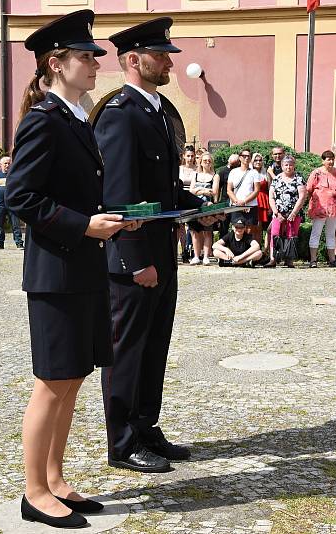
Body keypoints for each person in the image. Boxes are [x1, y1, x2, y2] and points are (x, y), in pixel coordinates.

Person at [4, 11, 134, 529]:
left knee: (73, 379)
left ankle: (56, 479)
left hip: (81, 268)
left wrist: (109, 220)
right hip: (56, 272)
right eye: (85, 56)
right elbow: (22, 197)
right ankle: (34, 491)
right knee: (52, 382)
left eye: (94, 56)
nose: (94, 64)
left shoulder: (75, 117)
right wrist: (84, 225)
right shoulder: (44, 119)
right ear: (55, 63)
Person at [94, 17, 211, 474]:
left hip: (162, 248)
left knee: (154, 343)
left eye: (168, 54)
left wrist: (200, 205)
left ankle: (145, 426)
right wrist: (136, 260)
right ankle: (122, 442)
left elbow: (160, 190)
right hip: (135, 256)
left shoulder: (157, 111)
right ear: (133, 60)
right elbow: (119, 198)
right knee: (127, 349)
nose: (168, 61)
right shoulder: (121, 114)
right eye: (161, 54)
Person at [266, 154, 306, 268]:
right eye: (286, 165)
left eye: (291, 165)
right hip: (278, 213)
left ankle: (289, 260)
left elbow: (302, 196)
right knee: (275, 234)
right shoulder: (277, 178)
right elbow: (271, 197)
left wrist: (294, 213)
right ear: (282, 166)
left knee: (291, 235)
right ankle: (273, 259)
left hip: (293, 213)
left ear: (294, 166)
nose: (288, 167)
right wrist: (276, 212)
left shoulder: (299, 178)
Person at [305, 150, 336, 268]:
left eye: (332, 159)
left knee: (331, 233)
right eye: (328, 159)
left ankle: (332, 259)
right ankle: (313, 260)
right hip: (320, 207)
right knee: (316, 232)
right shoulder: (316, 173)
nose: (331, 161)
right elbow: (309, 189)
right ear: (323, 160)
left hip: (334, 207)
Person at [188, 151, 219, 264]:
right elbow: (191, 191)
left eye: (209, 161)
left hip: (208, 206)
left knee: (207, 231)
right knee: (195, 231)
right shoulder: (195, 174)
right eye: (205, 161)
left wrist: (199, 190)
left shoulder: (215, 175)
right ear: (200, 162)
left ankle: (206, 256)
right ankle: (196, 256)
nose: (207, 162)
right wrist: (205, 190)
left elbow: (214, 192)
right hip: (194, 205)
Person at [227, 148, 261, 246]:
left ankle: (248, 254)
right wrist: (238, 202)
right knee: (237, 229)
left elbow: (256, 190)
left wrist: (245, 202)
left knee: (249, 231)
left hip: (250, 205)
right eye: (244, 156)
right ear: (240, 158)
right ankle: (237, 252)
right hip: (236, 205)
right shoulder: (233, 172)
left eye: (248, 156)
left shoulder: (254, 172)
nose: (246, 158)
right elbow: (229, 190)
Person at [0, 156, 24, 250]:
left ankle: (19, 243)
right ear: (1, 165)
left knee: (15, 225)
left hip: (13, 204)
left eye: (9, 163)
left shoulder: (14, 174)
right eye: (5, 163)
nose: (7, 165)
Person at [214, 153, 239, 240]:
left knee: (237, 224)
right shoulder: (222, 171)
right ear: (228, 161)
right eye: (232, 164)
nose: (233, 165)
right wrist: (216, 202)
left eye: (235, 163)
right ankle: (222, 243)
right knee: (224, 226)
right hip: (225, 201)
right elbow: (218, 188)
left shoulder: (239, 170)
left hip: (236, 201)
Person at [251, 152, 271, 245]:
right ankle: (248, 248)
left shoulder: (266, 173)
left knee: (259, 227)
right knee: (250, 227)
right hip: (251, 200)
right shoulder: (249, 173)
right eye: (255, 160)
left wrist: (271, 205)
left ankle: (258, 248)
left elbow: (270, 189)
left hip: (263, 200)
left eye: (260, 160)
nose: (258, 162)